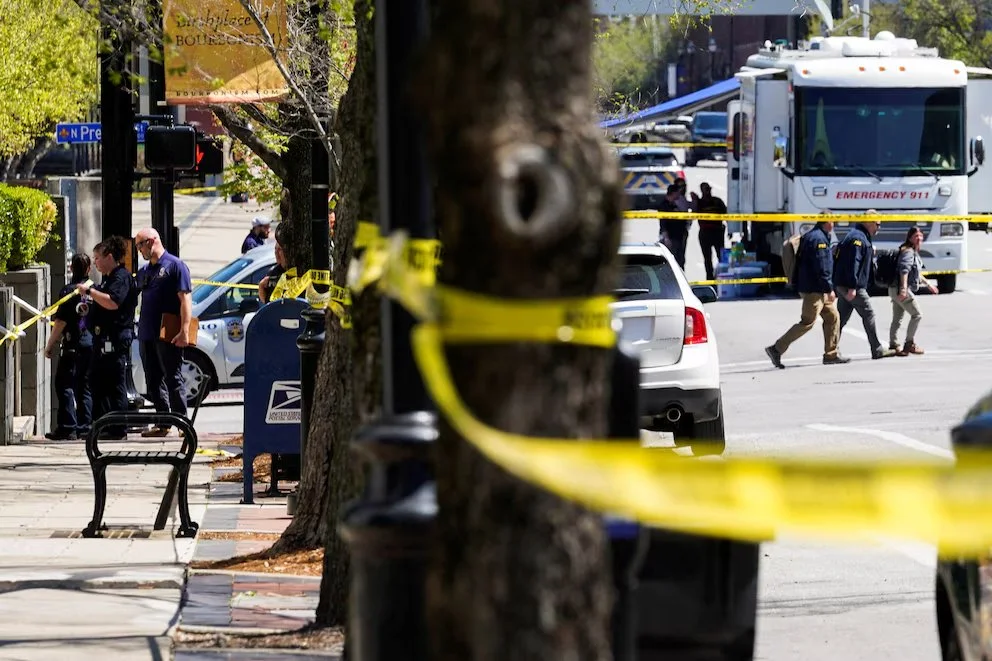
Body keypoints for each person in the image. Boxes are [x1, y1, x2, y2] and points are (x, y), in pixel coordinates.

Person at [765, 218, 849, 368]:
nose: (834, 225)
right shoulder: (819, 239)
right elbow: (821, 267)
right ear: (827, 222)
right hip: (815, 289)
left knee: (832, 317)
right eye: (833, 222)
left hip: (816, 288)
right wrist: (828, 289)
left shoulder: (814, 235)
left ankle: (831, 354)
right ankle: (776, 349)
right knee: (807, 322)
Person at [134, 228, 193, 436]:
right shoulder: (145, 271)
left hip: (168, 333)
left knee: (173, 379)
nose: (138, 250)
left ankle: (183, 424)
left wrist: (185, 330)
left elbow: (185, 299)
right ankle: (163, 423)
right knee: (153, 380)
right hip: (147, 333)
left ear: (151, 242)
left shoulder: (175, 266)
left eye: (140, 245)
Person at [80, 236, 138, 439]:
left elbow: (113, 302)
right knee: (98, 381)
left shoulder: (120, 278)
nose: (95, 262)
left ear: (109, 257)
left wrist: (91, 291)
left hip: (114, 340)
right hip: (102, 339)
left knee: (114, 384)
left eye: (97, 257)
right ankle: (103, 424)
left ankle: (117, 428)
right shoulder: (108, 279)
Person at [834, 213, 897, 360]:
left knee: (840, 319)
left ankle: (831, 351)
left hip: (846, 285)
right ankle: (877, 349)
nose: (879, 228)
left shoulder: (860, 236)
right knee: (868, 313)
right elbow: (853, 264)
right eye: (877, 224)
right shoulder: (857, 238)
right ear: (869, 222)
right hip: (852, 285)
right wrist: (852, 287)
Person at [45, 254, 94, 440]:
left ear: (71, 268)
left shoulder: (68, 291)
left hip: (72, 343)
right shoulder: (94, 290)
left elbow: (60, 321)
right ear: (89, 269)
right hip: (90, 343)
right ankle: (85, 427)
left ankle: (67, 427)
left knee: (64, 384)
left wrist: (50, 344)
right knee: (85, 386)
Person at [889, 226, 937, 356]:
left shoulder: (907, 250)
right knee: (917, 315)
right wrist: (903, 290)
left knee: (897, 318)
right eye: (916, 236)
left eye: (921, 236)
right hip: (900, 289)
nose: (919, 238)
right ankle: (909, 344)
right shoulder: (909, 252)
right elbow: (904, 271)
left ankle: (893, 344)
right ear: (910, 238)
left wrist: (928, 284)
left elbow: (915, 274)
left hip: (893, 289)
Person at [691, 182, 727, 281]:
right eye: (705, 189)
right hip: (705, 233)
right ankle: (710, 278)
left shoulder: (717, 201)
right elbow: (693, 214)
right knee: (707, 258)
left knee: (721, 256)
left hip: (717, 232)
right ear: (702, 191)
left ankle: (722, 276)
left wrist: (730, 230)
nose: (707, 191)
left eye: (708, 189)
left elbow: (726, 214)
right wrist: (695, 201)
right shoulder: (699, 203)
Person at [658, 184, 690, 269]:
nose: (679, 195)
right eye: (677, 193)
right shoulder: (664, 206)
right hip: (671, 238)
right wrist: (666, 238)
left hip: (679, 236)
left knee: (681, 260)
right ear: (673, 193)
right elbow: (663, 223)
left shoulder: (675, 204)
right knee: (673, 261)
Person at [259, 223, 292, 303]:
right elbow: (266, 303)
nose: (276, 253)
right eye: (275, 249)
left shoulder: (295, 271)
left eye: (279, 250)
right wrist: (261, 287)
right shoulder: (273, 272)